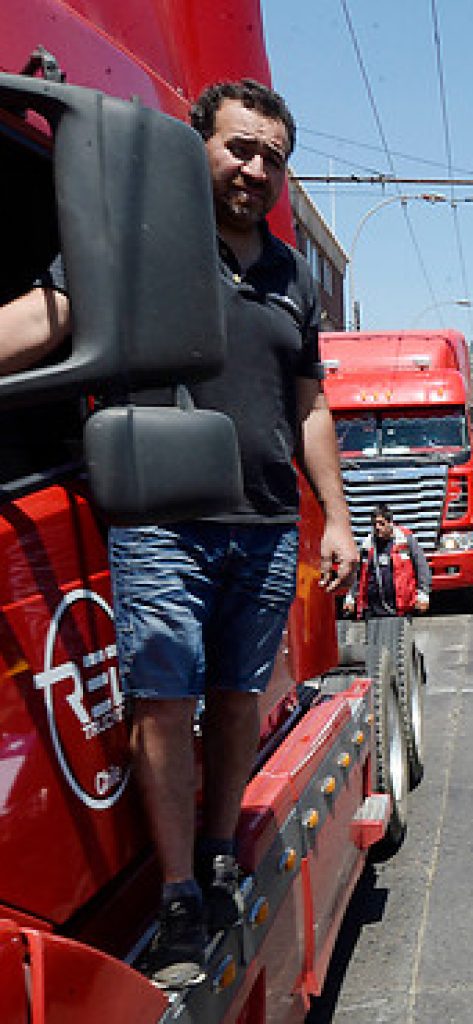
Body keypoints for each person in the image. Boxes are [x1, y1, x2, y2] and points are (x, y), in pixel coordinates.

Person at [87, 80, 357, 988]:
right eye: (240, 148)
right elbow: (55, 313)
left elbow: (309, 407)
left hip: (266, 523)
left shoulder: (289, 275)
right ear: (196, 144)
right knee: (165, 701)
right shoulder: (142, 240)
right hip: (162, 519)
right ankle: (176, 898)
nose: (255, 169)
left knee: (239, 696)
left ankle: (215, 855)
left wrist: (337, 519)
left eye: (272, 158)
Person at [347, 503, 430, 619]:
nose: (377, 527)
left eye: (381, 524)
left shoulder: (405, 540)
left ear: (390, 523)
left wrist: (423, 595)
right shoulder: (367, 545)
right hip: (373, 610)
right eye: (374, 524)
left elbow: (421, 567)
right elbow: (358, 574)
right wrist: (351, 597)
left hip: (400, 609)